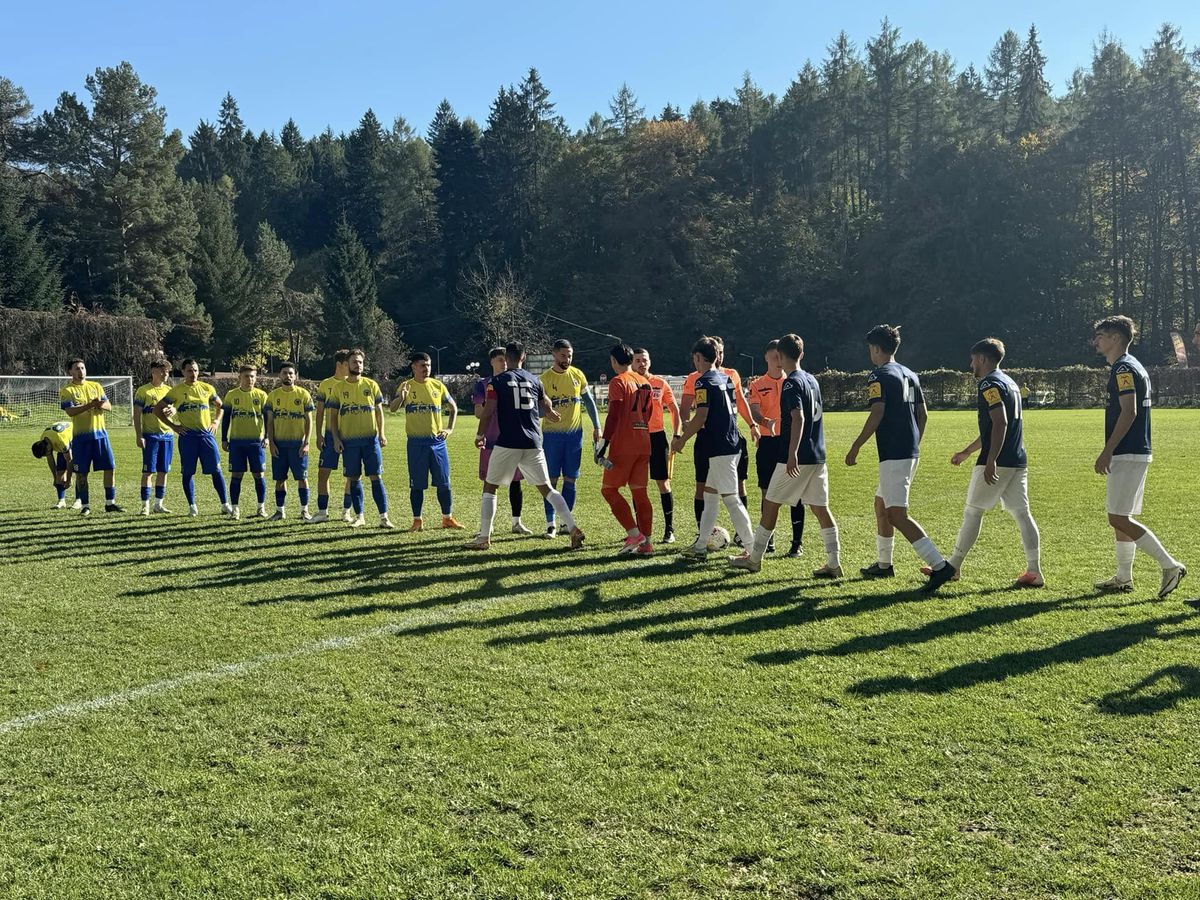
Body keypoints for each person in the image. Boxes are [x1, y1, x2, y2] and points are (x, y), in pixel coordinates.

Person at [845, 325, 956, 592]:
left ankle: (940, 567)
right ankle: (884, 565)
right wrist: (913, 444)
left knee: (896, 514)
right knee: (881, 505)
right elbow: (923, 414)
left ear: (875, 348)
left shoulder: (878, 375)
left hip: (895, 453)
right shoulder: (909, 373)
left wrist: (856, 446)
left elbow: (877, 413)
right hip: (907, 450)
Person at [731, 334, 841, 576]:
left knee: (770, 504)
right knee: (821, 509)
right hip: (817, 455)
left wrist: (791, 454)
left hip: (797, 456)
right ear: (801, 354)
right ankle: (834, 563)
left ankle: (755, 558)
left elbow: (798, 417)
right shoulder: (812, 380)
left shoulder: (791, 383)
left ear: (779, 357)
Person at [937, 338, 1043, 587]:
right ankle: (1034, 571)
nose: (970, 364)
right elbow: (993, 428)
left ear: (982, 359)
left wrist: (991, 459)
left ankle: (953, 567)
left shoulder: (989, 383)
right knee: (1022, 514)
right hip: (1017, 458)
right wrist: (967, 451)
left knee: (973, 511)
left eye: (973, 359)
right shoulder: (1010, 382)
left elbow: (1000, 422)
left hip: (999, 459)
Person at [1092, 316, 1186, 597]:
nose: (1096, 340)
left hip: (1128, 451)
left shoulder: (1123, 367)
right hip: (1135, 450)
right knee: (1121, 515)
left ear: (1116, 338)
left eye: (1102, 335)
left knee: (1118, 518)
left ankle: (1169, 565)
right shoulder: (1131, 365)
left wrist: (1107, 450)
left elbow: (1129, 410)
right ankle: (1123, 577)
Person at [467, 341, 585, 551]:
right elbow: (546, 402)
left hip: (508, 442)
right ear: (524, 357)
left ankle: (484, 538)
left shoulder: (497, 381)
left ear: (508, 358)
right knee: (547, 489)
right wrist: (551, 414)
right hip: (533, 441)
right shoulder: (534, 380)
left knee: (490, 486)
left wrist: (480, 434)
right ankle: (573, 527)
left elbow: (488, 411)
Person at [672, 337, 754, 559]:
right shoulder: (725, 377)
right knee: (710, 496)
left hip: (720, 447)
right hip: (731, 442)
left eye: (694, 359)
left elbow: (701, 416)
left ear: (698, 357)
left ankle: (752, 549)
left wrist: (681, 440)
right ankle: (700, 546)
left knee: (731, 499)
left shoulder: (702, 381)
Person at [389, 352, 463, 531]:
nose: (426, 369)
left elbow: (453, 408)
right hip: (416, 443)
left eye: (428, 365)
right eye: (422, 365)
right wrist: (401, 397)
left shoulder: (438, 386)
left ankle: (447, 518)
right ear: (413, 367)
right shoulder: (406, 386)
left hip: (437, 443)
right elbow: (392, 408)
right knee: (417, 485)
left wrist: (449, 429)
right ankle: (417, 520)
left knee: (444, 483)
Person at [595, 343, 655, 555]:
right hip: (643, 441)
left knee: (609, 489)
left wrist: (604, 442)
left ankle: (633, 533)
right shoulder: (644, 381)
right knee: (640, 492)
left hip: (624, 443)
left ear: (613, 361)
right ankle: (647, 543)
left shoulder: (618, 381)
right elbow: (648, 413)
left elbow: (614, 414)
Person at [539, 339, 602, 538]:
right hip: (551, 436)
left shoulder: (578, 375)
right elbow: (536, 408)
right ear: (554, 355)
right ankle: (551, 524)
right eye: (563, 355)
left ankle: (567, 522)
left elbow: (589, 402)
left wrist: (597, 426)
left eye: (570, 355)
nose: (567, 359)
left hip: (574, 436)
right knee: (551, 480)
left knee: (571, 479)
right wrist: (546, 413)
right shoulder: (544, 379)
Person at [749, 340, 806, 557]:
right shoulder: (757, 384)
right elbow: (754, 411)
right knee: (767, 492)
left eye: (779, 357)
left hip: (790, 440)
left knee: (796, 492)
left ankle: (796, 543)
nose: (777, 361)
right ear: (766, 357)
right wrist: (765, 422)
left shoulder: (793, 381)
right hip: (768, 443)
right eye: (773, 357)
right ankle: (768, 540)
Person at [155, 359, 232, 517]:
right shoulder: (176, 391)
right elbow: (157, 409)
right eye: (190, 371)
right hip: (187, 437)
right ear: (183, 372)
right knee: (188, 473)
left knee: (216, 471)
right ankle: (192, 506)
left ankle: (225, 504)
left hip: (206, 436)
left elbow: (220, 405)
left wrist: (216, 421)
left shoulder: (207, 388)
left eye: (195, 370)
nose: (193, 374)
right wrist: (173, 426)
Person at [328, 348, 393, 529]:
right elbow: (333, 417)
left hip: (370, 441)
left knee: (376, 477)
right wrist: (336, 438)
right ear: (347, 364)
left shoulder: (371, 385)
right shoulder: (339, 388)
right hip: (349, 442)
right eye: (355, 362)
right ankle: (360, 516)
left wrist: (382, 433)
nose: (358, 365)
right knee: (354, 479)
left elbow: (379, 412)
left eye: (361, 362)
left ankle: (384, 517)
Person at [472, 347, 530, 535]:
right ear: (491, 362)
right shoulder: (483, 384)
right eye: (499, 359)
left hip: (512, 439)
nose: (503, 362)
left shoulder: (515, 382)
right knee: (490, 483)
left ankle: (517, 522)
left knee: (516, 482)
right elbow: (479, 412)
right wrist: (492, 403)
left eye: (505, 359)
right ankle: (485, 525)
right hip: (491, 440)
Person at [631, 348, 681, 544]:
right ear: (632, 363)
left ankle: (669, 529)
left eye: (644, 360)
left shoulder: (660, 383)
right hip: (636, 438)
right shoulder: (628, 383)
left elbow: (674, 409)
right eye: (637, 361)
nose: (641, 364)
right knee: (637, 485)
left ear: (649, 361)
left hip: (657, 438)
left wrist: (677, 435)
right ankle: (638, 531)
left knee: (663, 483)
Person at [59, 358, 120, 516]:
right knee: (81, 473)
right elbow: (70, 411)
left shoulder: (96, 386)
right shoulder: (67, 390)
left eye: (83, 368)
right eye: (77, 369)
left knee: (110, 467)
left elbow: (109, 406)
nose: (81, 371)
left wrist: (100, 404)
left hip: (100, 436)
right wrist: (89, 405)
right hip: (81, 439)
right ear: (70, 372)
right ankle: (85, 505)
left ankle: (110, 503)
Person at [265, 362, 316, 522]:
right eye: (285, 373)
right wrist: (271, 442)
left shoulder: (303, 394)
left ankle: (304, 511)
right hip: (279, 445)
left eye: (291, 373)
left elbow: (309, 421)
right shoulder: (273, 396)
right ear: (280, 375)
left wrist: (306, 442)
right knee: (280, 479)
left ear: (295, 376)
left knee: (302, 478)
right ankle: (280, 511)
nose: (288, 376)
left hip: (298, 445)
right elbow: (270, 422)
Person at [221, 364, 269, 520]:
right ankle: (235, 509)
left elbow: (268, 419)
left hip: (256, 441)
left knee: (259, 475)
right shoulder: (231, 395)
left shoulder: (262, 395)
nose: (250, 379)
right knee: (236, 475)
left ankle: (261, 508)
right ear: (240, 377)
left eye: (253, 376)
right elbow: (226, 418)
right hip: (236, 442)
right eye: (247, 376)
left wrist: (267, 437)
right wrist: (224, 438)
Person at [312, 349, 354, 524]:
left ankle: (346, 511)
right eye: (347, 364)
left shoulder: (354, 383)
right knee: (323, 473)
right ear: (339, 365)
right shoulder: (325, 384)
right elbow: (320, 412)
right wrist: (319, 435)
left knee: (352, 475)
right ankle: (323, 511)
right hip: (329, 435)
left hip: (350, 435)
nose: (351, 366)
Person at [133, 358, 175, 514]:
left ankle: (159, 504)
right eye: (162, 370)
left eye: (168, 371)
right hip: (150, 437)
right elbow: (136, 415)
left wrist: (174, 411)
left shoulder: (170, 390)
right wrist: (139, 435)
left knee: (163, 471)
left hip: (167, 436)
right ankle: (145, 505)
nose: (166, 374)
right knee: (148, 471)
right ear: (153, 372)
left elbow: (175, 407)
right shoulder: (144, 391)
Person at [31, 421, 73, 508]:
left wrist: (69, 479)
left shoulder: (61, 441)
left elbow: (69, 460)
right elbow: (50, 459)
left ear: (47, 448)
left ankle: (79, 500)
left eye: (47, 453)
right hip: (61, 443)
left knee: (80, 472)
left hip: (76, 438)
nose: (48, 454)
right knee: (59, 474)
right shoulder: (43, 439)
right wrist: (55, 477)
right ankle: (61, 501)